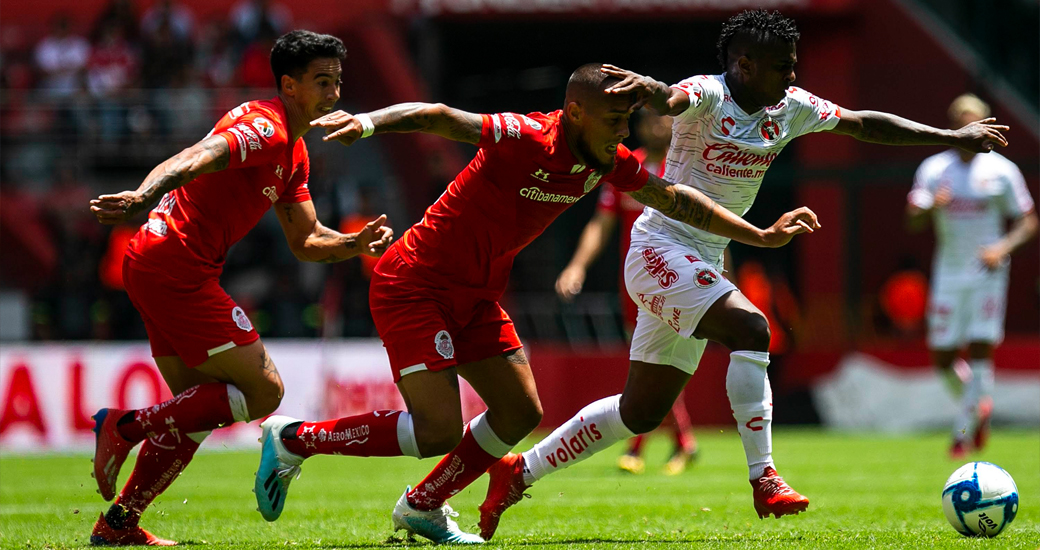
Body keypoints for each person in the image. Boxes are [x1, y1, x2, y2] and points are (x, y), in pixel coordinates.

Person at [476, 10, 1010, 541]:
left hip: (701, 259)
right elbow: (670, 99)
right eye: (783, 67)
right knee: (752, 328)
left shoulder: (791, 107)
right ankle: (765, 476)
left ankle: (519, 470)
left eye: (795, 65)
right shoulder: (708, 94)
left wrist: (950, 135)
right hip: (660, 247)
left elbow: (862, 122)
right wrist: (652, 89)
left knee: (640, 412)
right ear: (744, 64)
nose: (794, 77)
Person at [253, 62, 822, 544]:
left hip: (477, 295)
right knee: (436, 431)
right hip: (414, 282)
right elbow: (441, 116)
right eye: (611, 119)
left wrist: (761, 236)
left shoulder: (608, 159)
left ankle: (422, 506)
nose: (621, 131)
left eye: (626, 121)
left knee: (521, 414)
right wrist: (369, 122)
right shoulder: (524, 134)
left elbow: (675, 199)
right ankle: (294, 438)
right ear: (574, 112)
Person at [86, 30, 393, 546]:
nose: (334, 95)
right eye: (323, 82)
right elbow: (196, 154)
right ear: (290, 85)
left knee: (195, 410)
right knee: (264, 391)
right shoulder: (266, 128)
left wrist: (354, 243)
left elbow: (306, 239)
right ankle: (125, 426)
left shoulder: (293, 153)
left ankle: (118, 523)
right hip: (173, 265)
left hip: (163, 264)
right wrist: (143, 192)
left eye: (337, 83)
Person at [555, 111, 698, 476]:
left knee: (657, 362)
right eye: (649, 120)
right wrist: (577, 266)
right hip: (635, 286)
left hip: (676, 279)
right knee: (652, 363)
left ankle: (644, 445)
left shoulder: (684, 167)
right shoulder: (625, 167)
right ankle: (681, 442)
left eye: (664, 120)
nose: (656, 127)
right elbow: (601, 224)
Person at [906, 93, 1036, 459]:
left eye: (977, 121)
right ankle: (978, 404)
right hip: (948, 271)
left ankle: (961, 433)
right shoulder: (934, 169)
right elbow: (911, 219)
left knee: (981, 346)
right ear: (954, 125)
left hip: (987, 271)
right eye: (963, 120)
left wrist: (1003, 248)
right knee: (942, 356)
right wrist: (932, 206)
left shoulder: (1002, 170)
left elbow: (1028, 220)